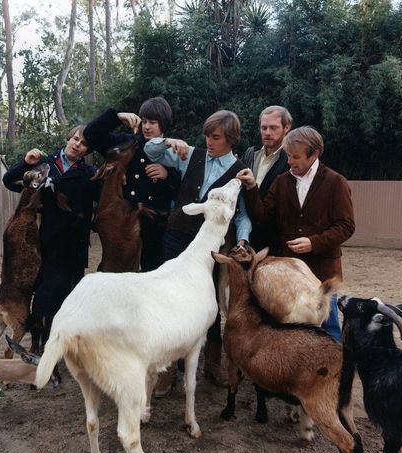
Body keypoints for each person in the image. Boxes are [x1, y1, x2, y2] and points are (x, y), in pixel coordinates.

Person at [144, 109, 252, 396]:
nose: (209, 141)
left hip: (209, 247)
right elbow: (149, 150)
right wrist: (169, 143)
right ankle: (167, 369)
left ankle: (212, 363)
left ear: (230, 139)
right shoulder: (192, 154)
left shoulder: (239, 171)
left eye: (215, 137)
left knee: (209, 302)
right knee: (169, 300)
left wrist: (242, 241)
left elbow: (242, 215)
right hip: (176, 236)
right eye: (207, 135)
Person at [237, 126, 355, 342]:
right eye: (288, 155)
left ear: (314, 155)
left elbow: (346, 226)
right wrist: (252, 188)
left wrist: (314, 242)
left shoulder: (336, 182)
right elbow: (262, 217)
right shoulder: (282, 181)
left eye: (295, 157)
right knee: (291, 335)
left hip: (323, 271)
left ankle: (334, 373)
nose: (289, 161)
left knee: (328, 331)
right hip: (290, 276)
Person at [3, 125, 99, 353]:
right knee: (46, 295)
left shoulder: (89, 174)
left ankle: (62, 344)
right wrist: (26, 163)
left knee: (69, 297)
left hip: (74, 247)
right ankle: (39, 345)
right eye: (75, 138)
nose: (77, 144)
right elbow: (9, 181)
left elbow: (102, 201)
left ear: (87, 150)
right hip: (47, 243)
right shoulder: (45, 165)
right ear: (68, 139)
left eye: (83, 143)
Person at [83, 97, 181, 272]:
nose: (147, 127)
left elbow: (184, 186)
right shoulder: (128, 143)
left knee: (153, 277)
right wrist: (117, 117)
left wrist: (168, 175)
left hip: (156, 227)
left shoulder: (173, 148)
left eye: (152, 122)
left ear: (164, 124)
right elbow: (91, 134)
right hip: (125, 225)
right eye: (144, 121)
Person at [240, 105, 292, 253]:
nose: (267, 133)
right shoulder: (250, 153)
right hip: (248, 235)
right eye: (264, 128)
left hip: (276, 239)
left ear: (286, 127)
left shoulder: (291, 160)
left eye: (273, 128)